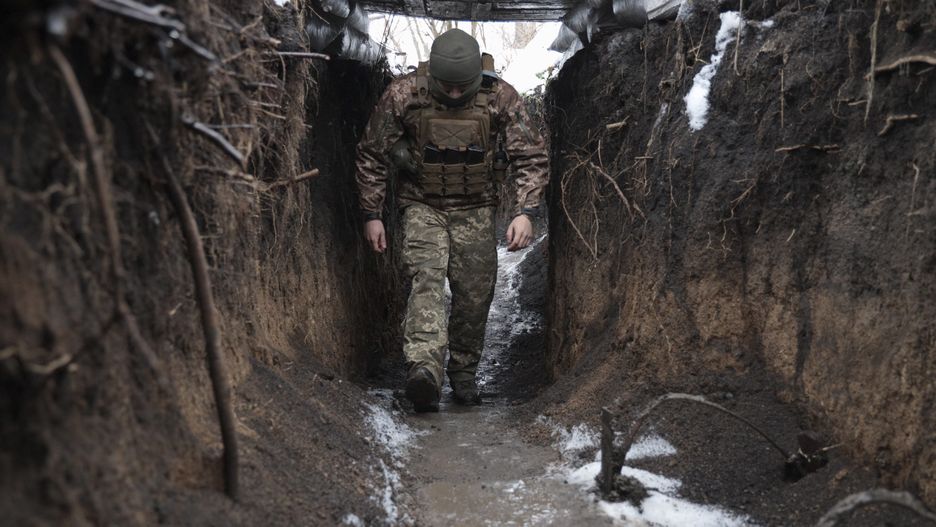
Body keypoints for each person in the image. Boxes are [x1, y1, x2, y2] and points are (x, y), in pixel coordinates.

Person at [354, 28, 549, 412]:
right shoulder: (405, 94)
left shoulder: (500, 96)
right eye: (448, 87)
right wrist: (372, 213)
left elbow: (530, 156)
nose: (455, 95)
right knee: (426, 279)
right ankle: (424, 371)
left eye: (463, 88)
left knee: (474, 297)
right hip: (422, 205)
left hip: (477, 209)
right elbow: (371, 154)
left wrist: (525, 212)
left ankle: (463, 374)